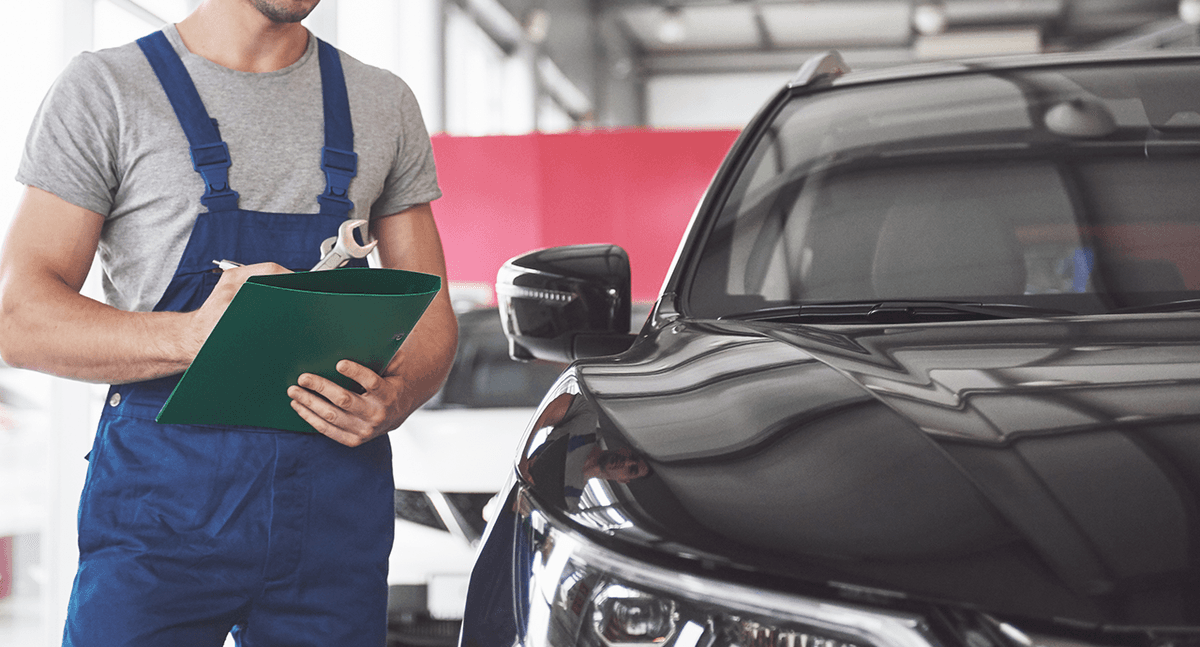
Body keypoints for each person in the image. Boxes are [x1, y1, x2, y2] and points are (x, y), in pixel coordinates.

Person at [0, 0, 458, 645]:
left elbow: (431, 312)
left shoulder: (382, 101)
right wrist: (194, 335)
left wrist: (399, 395)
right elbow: (19, 319)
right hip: (162, 514)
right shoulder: (107, 88)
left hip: (333, 514)